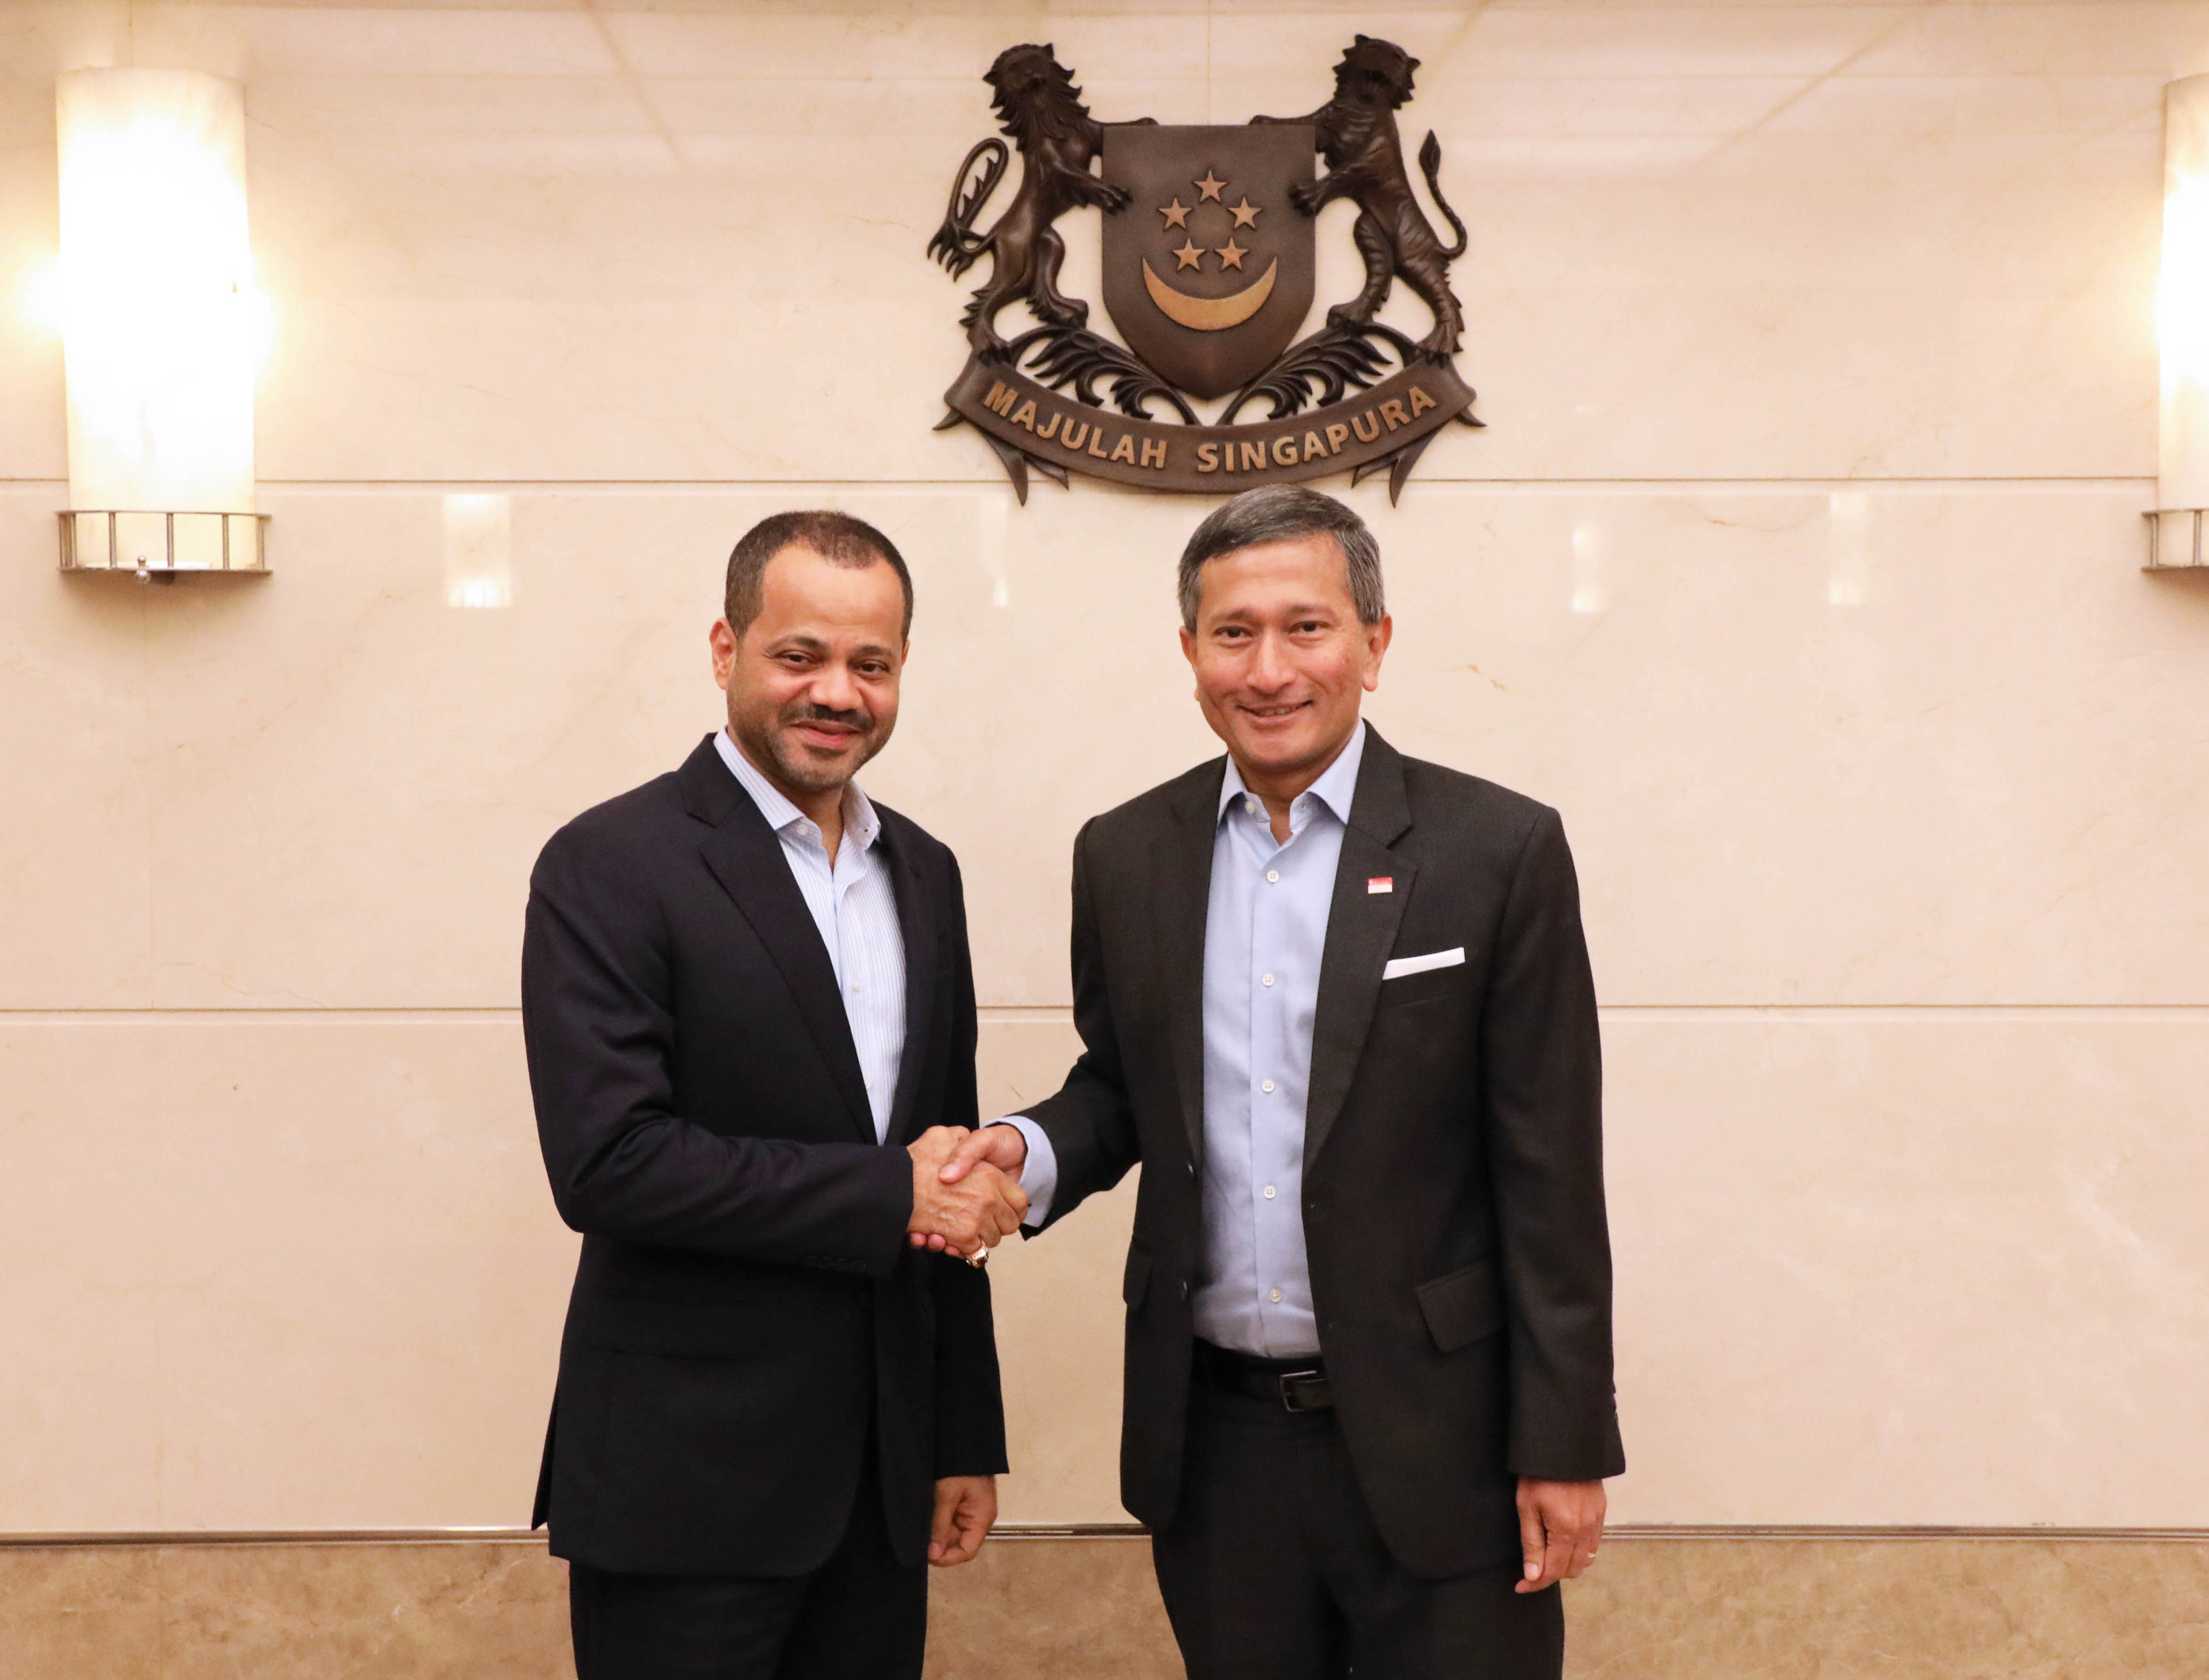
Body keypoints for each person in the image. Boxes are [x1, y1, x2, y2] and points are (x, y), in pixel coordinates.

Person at [935, 484, 1624, 1680]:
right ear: (1190, 652)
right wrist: (1027, 1152)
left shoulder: (1496, 850)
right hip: (1219, 1448)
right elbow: (1124, 1083)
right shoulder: (1126, 851)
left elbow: (1550, 1166)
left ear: (1375, 642)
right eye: (1234, 632)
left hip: (1441, 1442)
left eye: (1306, 626)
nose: (1269, 669)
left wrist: (1564, 1442)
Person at [521, 510, 1027, 1680]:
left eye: (873, 663)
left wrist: (959, 1433)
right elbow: (609, 1160)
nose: (837, 692)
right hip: (684, 1488)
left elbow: (943, 1162)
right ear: (725, 648)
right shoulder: (612, 861)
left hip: (881, 1484)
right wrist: (887, 1188)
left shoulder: (926, 873)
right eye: (800, 655)